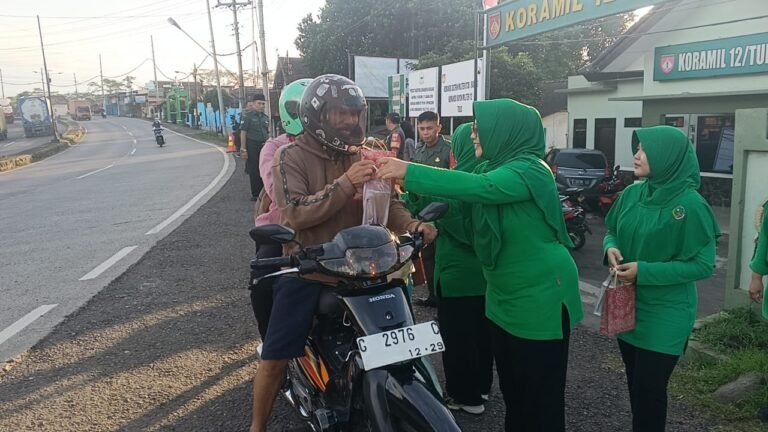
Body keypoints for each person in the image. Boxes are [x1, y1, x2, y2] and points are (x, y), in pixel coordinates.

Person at [377, 99, 584, 431]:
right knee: (515, 392)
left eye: (480, 125)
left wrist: (407, 170)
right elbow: (459, 199)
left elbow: (478, 188)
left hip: (539, 298)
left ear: (506, 130)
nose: (474, 133)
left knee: (540, 397)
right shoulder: (493, 167)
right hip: (503, 295)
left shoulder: (530, 168)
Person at [249, 74, 436, 432]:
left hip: (371, 268)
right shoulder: (291, 156)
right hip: (313, 269)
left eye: (355, 113)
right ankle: (257, 425)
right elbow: (296, 212)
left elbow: (389, 202)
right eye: (340, 114)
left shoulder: (369, 150)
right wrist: (347, 182)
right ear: (318, 116)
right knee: (275, 354)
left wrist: (411, 225)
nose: (350, 121)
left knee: (405, 343)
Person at [604, 126, 720, 432]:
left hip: (667, 312)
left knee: (649, 390)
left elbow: (702, 265)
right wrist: (611, 248)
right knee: (635, 385)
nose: (637, 155)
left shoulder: (690, 205)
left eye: (645, 150)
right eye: (637, 148)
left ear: (668, 157)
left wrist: (645, 271)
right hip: (627, 303)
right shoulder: (632, 193)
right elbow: (612, 230)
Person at [405, 122, 493, 414]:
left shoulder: (456, 182)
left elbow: (424, 204)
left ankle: (464, 396)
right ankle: (481, 388)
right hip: (485, 278)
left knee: (458, 340)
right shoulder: (489, 179)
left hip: (457, 277)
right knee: (482, 337)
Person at [249, 78, 312, 341]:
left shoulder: (339, 144)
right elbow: (279, 192)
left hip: (326, 224)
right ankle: (270, 343)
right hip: (282, 227)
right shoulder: (274, 147)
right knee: (262, 280)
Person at [409, 111, 452, 307]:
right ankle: (433, 295)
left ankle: (446, 296)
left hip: (445, 213)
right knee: (427, 255)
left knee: (445, 256)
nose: (425, 133)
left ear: (438, 127)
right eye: (422, 128)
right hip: (424, 212)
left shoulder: (449, 150)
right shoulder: (419, 151)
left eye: (429, 128)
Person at [241, 93, 271, 201]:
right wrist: (243, 149)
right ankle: (256, 194)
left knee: (265, 167)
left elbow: (267, 132)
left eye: (263, 104)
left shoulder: (265, 118)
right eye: (259, 103)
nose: (262, 106)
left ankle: (265, 191)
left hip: (263, 145)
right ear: (253, 104)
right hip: (252, 144)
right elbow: (243, 132)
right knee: (254, 169)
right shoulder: (248, 117)